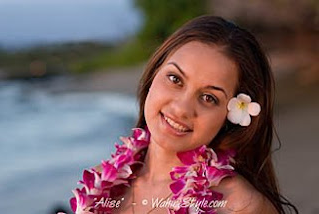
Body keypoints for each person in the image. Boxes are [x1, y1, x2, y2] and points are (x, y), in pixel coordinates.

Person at [70, 15, 298, 214]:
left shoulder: (238, 205)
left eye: (209, 98)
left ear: (230, 117)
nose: (181, 108)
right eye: (175, 79)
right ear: (154, 75)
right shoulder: (102, 181)